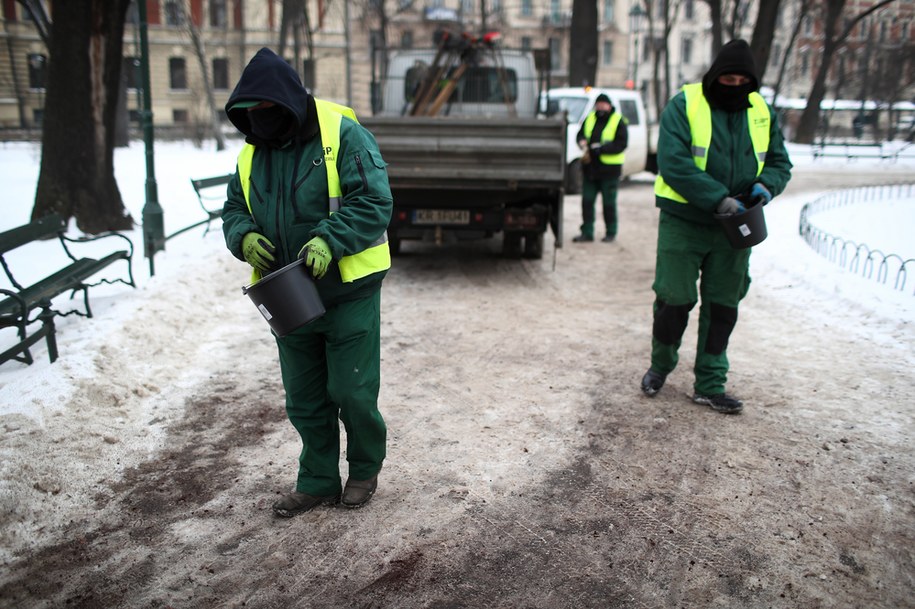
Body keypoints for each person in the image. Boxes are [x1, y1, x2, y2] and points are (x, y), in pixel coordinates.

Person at [221, 48, 393, 516]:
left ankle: (363, 470)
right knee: (304, 397)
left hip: (347, 291)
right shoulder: (252, 152)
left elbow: (374, 201)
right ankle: (317, 480)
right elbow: (233, 210)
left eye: (267, 113)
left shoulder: (344, 135)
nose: (260, 123)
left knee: (352, 391)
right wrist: (243, 236)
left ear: (288, 104)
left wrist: (329, 240)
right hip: (287, 293)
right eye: (250, 117)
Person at [640, 39, 792, 414]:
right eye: (728, 78)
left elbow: (779, 162)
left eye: (743, 79)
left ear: (752, 82)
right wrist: (717, 198)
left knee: (724, 305)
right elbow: (673, 162)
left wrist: (766, 186)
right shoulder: (685, 104)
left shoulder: (761, 110)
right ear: (715, 76)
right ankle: (660, 366)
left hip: (737, 226)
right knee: (674, 298)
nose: (735, 84)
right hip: (684, 220)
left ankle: (710, 383)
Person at [572, 93, 628, 243]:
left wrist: (602, 149)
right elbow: (580, 134)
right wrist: (582, 141)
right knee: (587, 202)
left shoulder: (618, 121)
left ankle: (611, 232)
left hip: (609, 171)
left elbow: (621, 144)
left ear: (609, 106)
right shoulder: (589, 118)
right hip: (590, 169)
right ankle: (587, 232)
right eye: (598, 104)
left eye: (604, 104)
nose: (601, 107)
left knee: (608, 204)